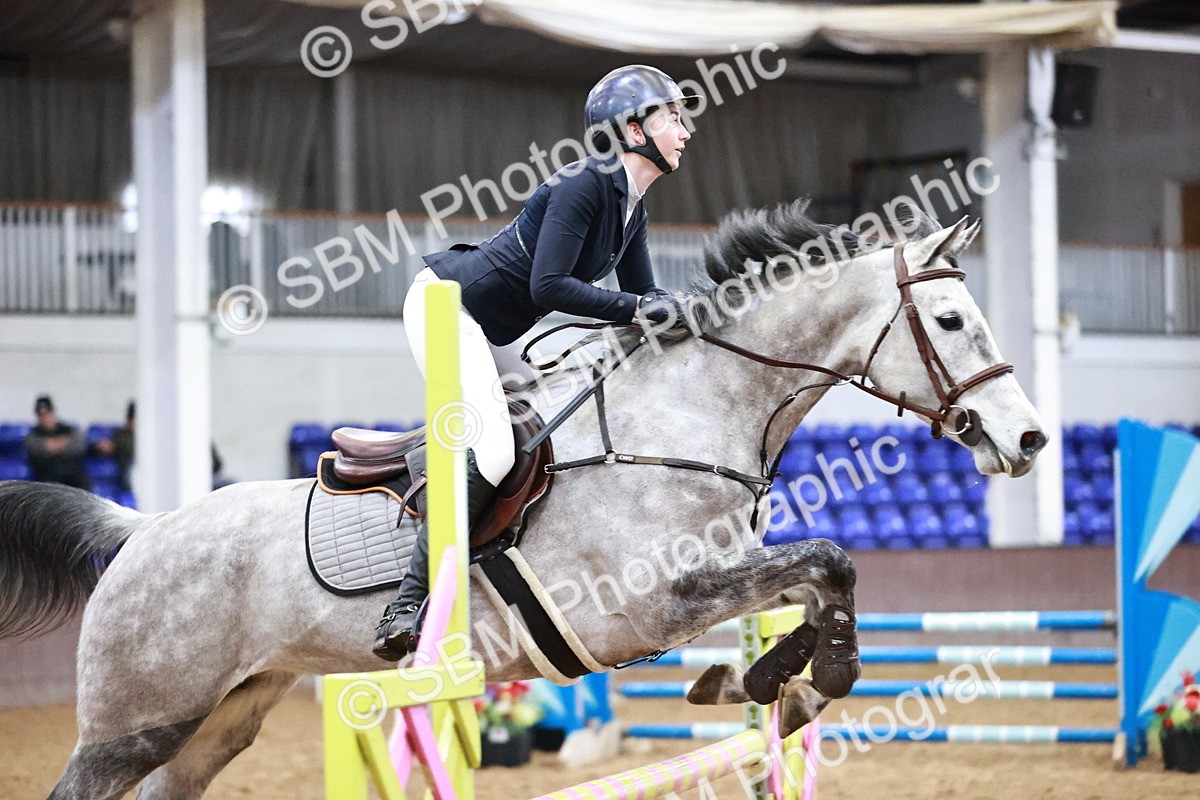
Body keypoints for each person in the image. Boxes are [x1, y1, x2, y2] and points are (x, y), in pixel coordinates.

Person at [373, 65, 702, 660]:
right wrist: (642, 309)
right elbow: (550, 287)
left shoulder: (632, 207)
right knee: (495, 450)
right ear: (634, 129)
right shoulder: (583, 185)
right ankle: (407, 602)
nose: (685, 131)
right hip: (448, 309)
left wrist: (687, 312)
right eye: (672, 118)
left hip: (494, 328)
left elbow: (642, 297)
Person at [25, 395, 91, 490]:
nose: (45, 418)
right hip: (47, 477)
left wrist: (53, 446)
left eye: (47, 414)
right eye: (41, 415)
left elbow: (80, 445)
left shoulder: (68, 430)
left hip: (73, 476)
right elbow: (35, 447)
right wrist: (63, 443)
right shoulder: (34, 433)